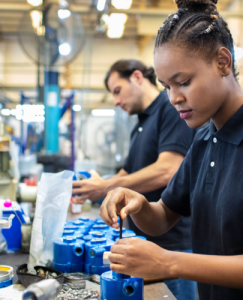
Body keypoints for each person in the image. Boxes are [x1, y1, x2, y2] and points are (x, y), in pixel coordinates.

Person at [99, 0, 243, 299]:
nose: (174, 98)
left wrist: (169, 262)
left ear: (223, 62)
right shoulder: (204, 140)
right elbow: (164, 215)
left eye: (184, 83)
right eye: (166, 86)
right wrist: (138, 205)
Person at [72, 59, 196, 299]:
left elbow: (167, 169)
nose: (116, 101)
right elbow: (127, 173)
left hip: (172, 245)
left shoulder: (171, 111)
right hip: (145, 242)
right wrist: (100, 189)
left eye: (117, 91)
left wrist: (106, 186)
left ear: (138, 77)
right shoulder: (140, 124)